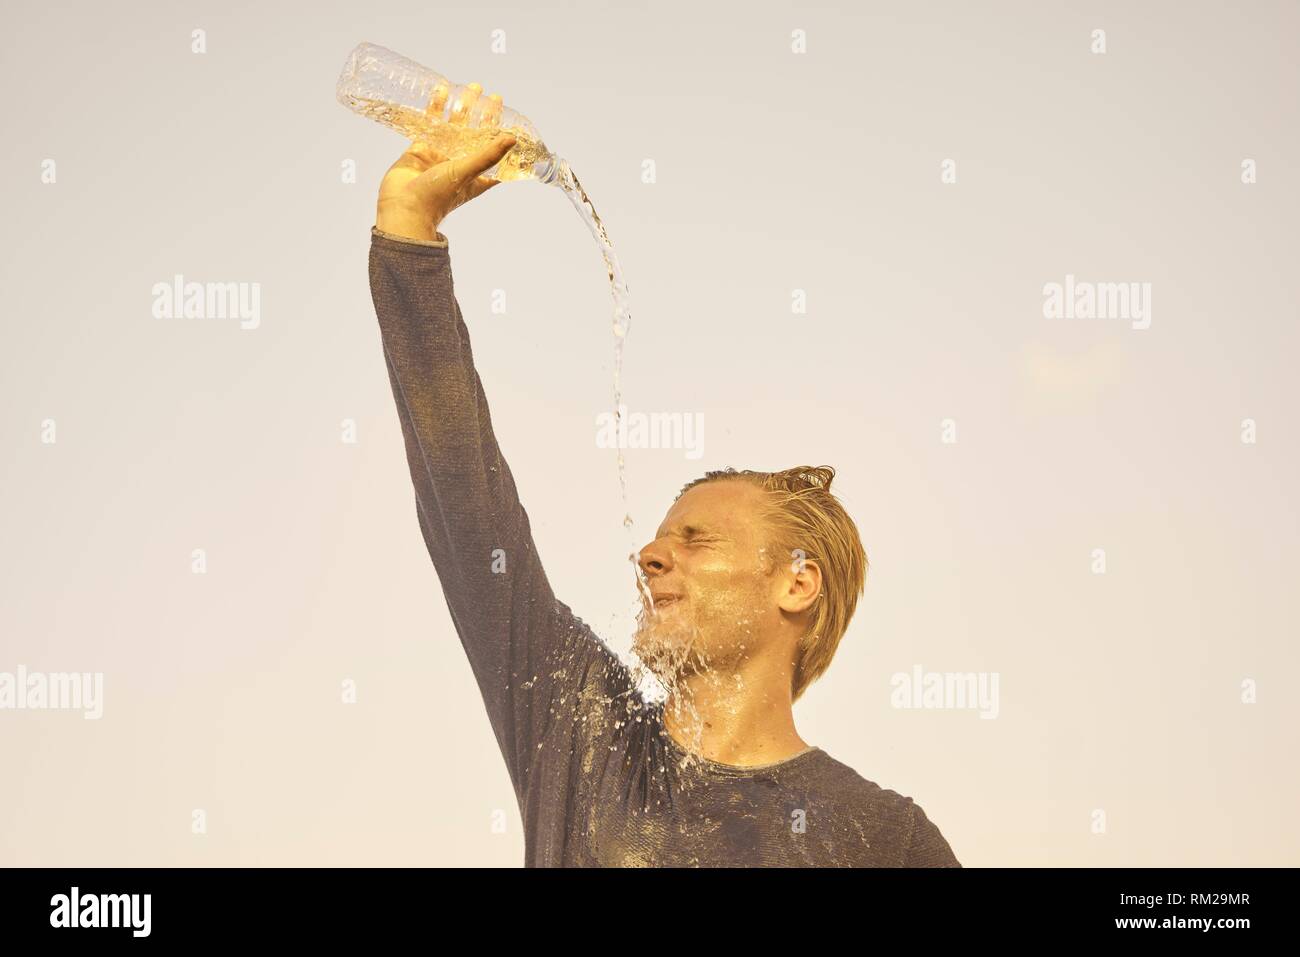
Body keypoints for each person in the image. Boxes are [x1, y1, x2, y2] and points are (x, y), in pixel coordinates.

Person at [367, 94, 960, 867]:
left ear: (797, 583)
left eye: (696, 538)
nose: (650, 554)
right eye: (656, 537)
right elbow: (467, 506)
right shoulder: (582, 737)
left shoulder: (886, 838)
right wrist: (410, 235)